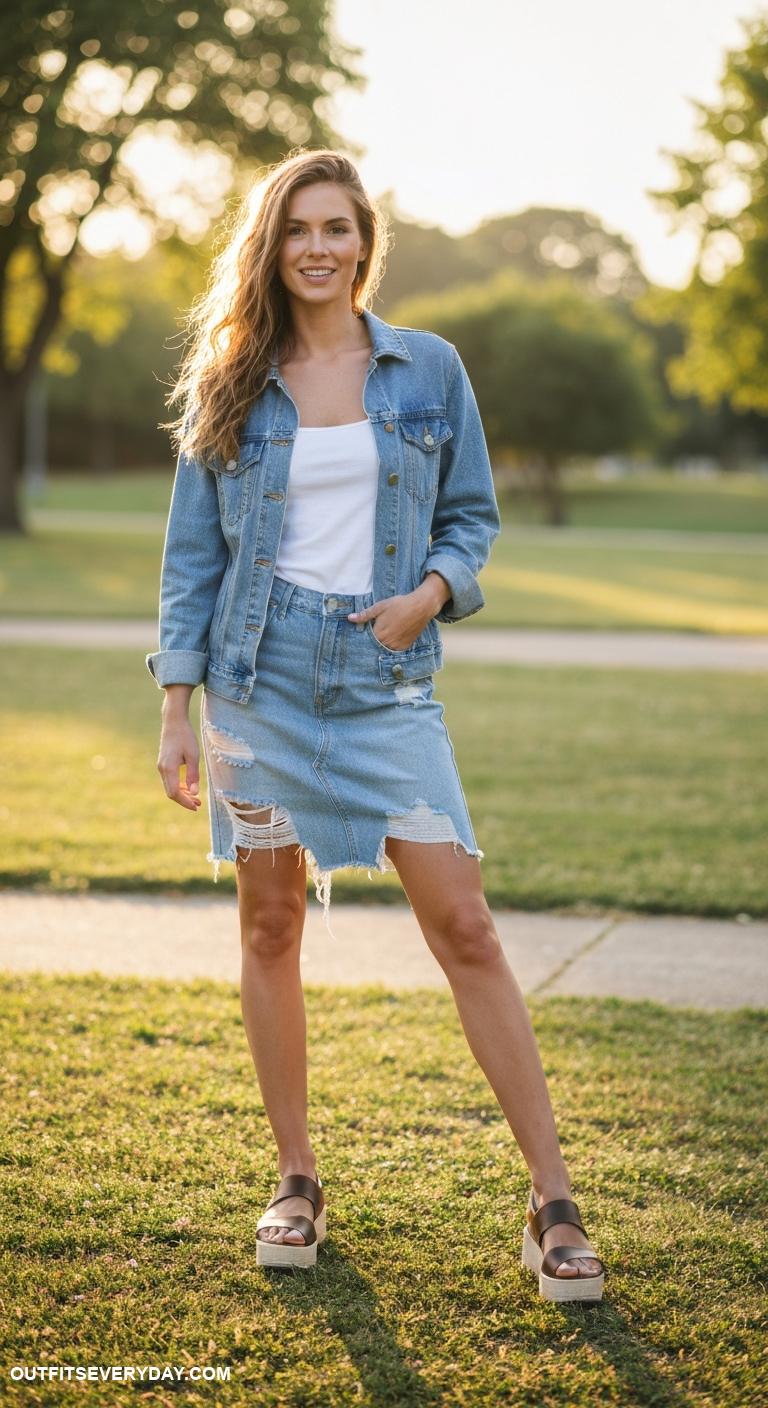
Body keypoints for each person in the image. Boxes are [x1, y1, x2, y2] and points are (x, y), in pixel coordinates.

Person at [146, 149, 606, 1299]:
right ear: (273, 242)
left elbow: (471, 518)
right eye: (298, 227)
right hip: (257, 680)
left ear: (365, 242)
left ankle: (553, 1199)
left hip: (386, 681)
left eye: (338, 228)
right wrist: (177, 709)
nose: (318, 247)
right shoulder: (232, 381)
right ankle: (296, 1176)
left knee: (466, 924)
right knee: (269, 925)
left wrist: (432, 594)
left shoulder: (427, 369)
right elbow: (193, 559)